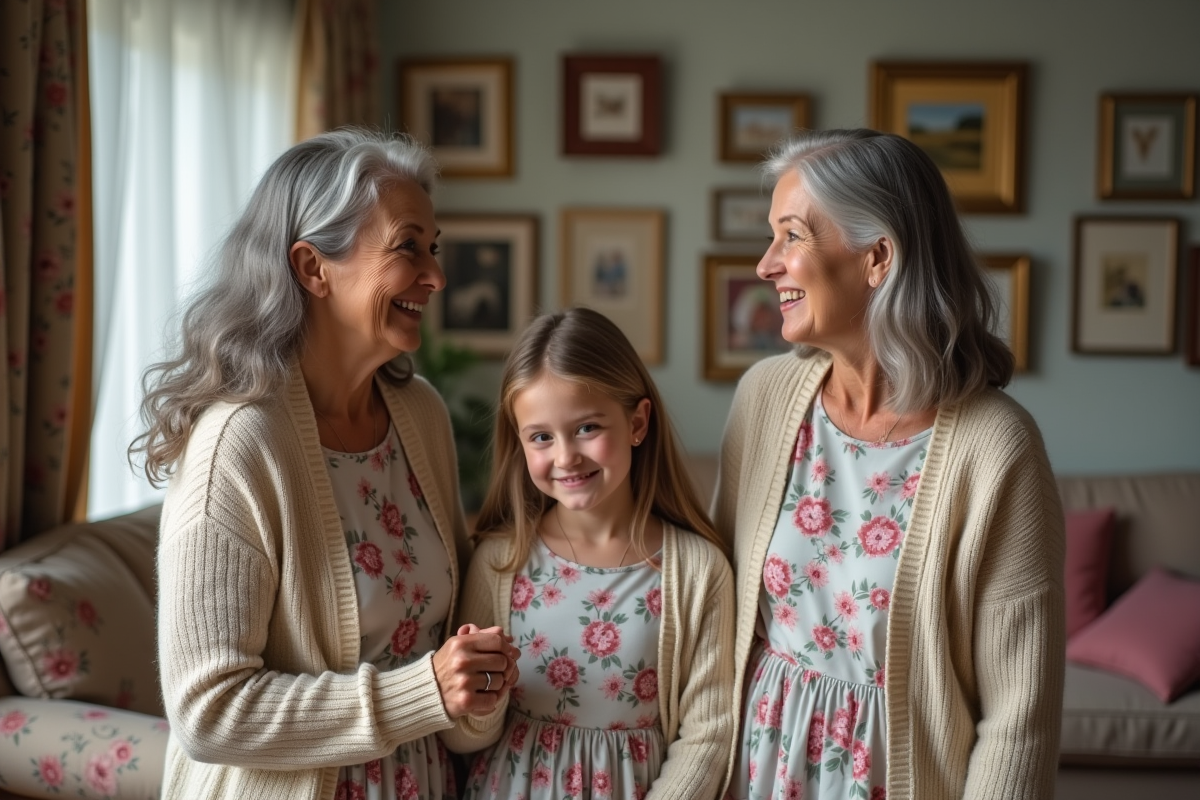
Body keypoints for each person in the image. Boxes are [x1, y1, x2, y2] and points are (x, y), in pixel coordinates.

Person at [135, 129, 520, 800]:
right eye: (407, 247)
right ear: (314, 268)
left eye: (434, 249)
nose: (436, 276)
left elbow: (445, 645)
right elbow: (209, 711)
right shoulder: (240, 443)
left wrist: (477, 686)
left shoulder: (419, 413)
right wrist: (421, 692)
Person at [715, 129, 1065, 800]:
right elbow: (716, 603)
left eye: (791, 236)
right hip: (753, 769)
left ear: (878, 257)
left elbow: (1019, 721)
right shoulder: (765, 398)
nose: (765, 265)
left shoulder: (997, 447)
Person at [444, 307, 735, 799]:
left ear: (638, 422)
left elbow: (708, 735)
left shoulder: (699, 571)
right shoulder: (499, 560)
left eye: (586, 428)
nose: (565, 457)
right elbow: (462, 735)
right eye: (541, 437)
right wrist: (481, 697)